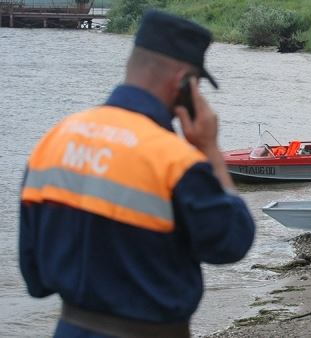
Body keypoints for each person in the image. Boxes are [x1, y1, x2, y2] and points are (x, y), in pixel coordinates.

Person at [19, 11, 255, 337]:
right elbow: (232, 241)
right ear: (184, 83)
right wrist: (211, 151)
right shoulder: (176, 161)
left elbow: (34, 278)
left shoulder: (52, 141)